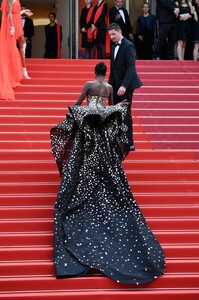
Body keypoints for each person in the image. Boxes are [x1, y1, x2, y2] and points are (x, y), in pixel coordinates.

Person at [50, 61, 165, 284]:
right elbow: (111, 108)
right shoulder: (110, 88)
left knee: (82, 158)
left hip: (89, 126)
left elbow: (76, 104)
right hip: (103, 128)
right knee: (106, 161)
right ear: (106, 73)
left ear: (95, 73)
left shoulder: (89, 84)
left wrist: (79, 113)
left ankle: (82, 181)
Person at [108, 23, 142, 151]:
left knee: (125, 113)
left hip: (126, 86)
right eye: (110, 35)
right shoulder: (113, 47)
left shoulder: (129, 46)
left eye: (113, 34)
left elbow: (131, 68)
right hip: (115, 86)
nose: (111, 37)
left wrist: (124, 86)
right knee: (115, 113)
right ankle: (118, 140)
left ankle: (129, 142)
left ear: (119, 32)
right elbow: (113, 69)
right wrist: (110, 87)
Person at [0, 0, 31, 100]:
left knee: (23, 45)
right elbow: (9, 13)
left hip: (17, 20)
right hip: (12, 23)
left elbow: (15, 11)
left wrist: (23, 11)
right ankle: (18, 71)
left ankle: (24, 71)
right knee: (12, 48)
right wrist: (12, 27)